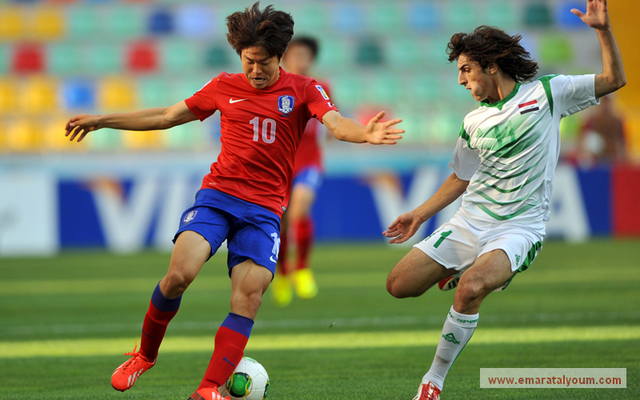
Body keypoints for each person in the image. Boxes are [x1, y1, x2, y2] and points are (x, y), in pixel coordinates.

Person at [64, 3, 403, 400]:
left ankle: (208, 389)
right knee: (179, 275)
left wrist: (365, 134)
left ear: (280, 56)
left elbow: (336, 124)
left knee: (249, 296)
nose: (255, 70)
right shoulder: (224, 86)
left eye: (264, 63)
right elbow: (166, 117)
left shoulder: (304, 89)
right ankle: (144, 355)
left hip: (264, 211)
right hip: (218, 197)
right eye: (248, 61)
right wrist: (102, 120)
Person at [382, 1, 625, 399]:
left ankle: (433, 381)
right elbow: (461, 177)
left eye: (466, 69)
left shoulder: (548, 93)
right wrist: (419, 215)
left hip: (518, 228)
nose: (460, 80)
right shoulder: (473, 121)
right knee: (398, 285)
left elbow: (615, 79)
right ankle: (472, 266)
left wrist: (602, 30)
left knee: (471, 289)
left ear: (491, 66)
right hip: (469, 223)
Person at [271, 36, 328, 307]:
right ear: (285, 58)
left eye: (305, 55)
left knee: (300, 209)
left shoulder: (320, 87)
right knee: (280, 221)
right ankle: (282, 271)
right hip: (280, 165)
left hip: (309, 161)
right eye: (295, 55)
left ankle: (302, 268)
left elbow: (332, 119)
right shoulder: (275, 88)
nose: (300, 60)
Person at [575, 94, 627, 165]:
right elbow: (582, 137)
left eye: (608, 101)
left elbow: (623, 141)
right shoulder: (592, 120)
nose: (606, 104)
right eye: (604, 101)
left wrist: (623, 157)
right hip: (596, 159)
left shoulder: (617, 121)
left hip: (612, 158)